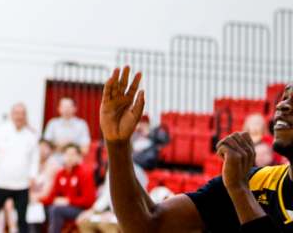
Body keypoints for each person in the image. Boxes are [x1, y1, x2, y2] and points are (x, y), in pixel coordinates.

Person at [101, 66, 293, 233]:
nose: (283, 105)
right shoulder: (254, 182)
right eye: (284, 98)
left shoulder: (241, 185)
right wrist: (117, 144)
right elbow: (148, 225)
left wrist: (240, 191)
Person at [0, 103, 41, 233]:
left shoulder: (31, 136)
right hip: (0, 182)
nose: (19, 117)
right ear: (12, 115)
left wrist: (32, 176)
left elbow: (34, 160)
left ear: (26, 116)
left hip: (21, 185)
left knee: (23, 219)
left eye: (22, 114)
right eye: (17, 113)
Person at [41, 144, 97, 233]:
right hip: (64, 207)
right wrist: (39, 201)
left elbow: (89, 200)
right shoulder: (60, 173)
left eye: (72, 154)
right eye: (67, 154)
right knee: (40, 208)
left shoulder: (85, 173)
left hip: (81, 209)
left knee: (56, 210)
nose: (69, 157)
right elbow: (53, 196)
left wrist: (68, 201)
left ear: (79, 157)